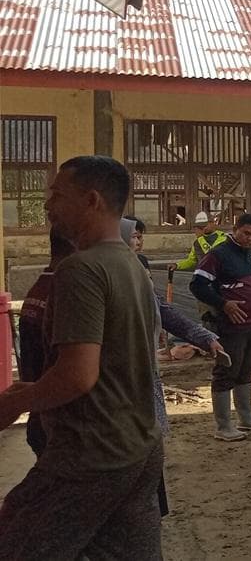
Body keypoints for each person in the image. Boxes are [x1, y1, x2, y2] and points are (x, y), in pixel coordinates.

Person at [0, 156, 163, 559]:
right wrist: (35, 387)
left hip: (91, 454)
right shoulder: (131, 265)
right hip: (140, 446)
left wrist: (16, 402)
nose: (47, 205)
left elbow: (78, 376)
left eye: (56, 194)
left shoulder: (80, 270)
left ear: (91, 201)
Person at [121, 216, 225, 517]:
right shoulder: (107, 275)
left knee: (149, 443)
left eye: (140, 236)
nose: (137, 241)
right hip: (120, 377)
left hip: (144, 371)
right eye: (133, 236)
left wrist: (202, 337)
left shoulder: (138, 266)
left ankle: (149, 508)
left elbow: (162, 308)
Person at [190, 213, 251, 441]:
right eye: (246, 233)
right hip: (229, 326)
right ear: (235, 229)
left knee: (246, 369)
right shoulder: (217, 255)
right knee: (226, 371)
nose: (250, 239)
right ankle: (224, 426)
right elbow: (197, 285)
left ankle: (246, 418)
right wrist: (223, 304)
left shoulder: (247, 254)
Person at [15, 228, 74, 456]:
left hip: (44, 415)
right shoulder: (64, 292)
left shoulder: (40, 289)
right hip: (61, 422)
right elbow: (74, 372)